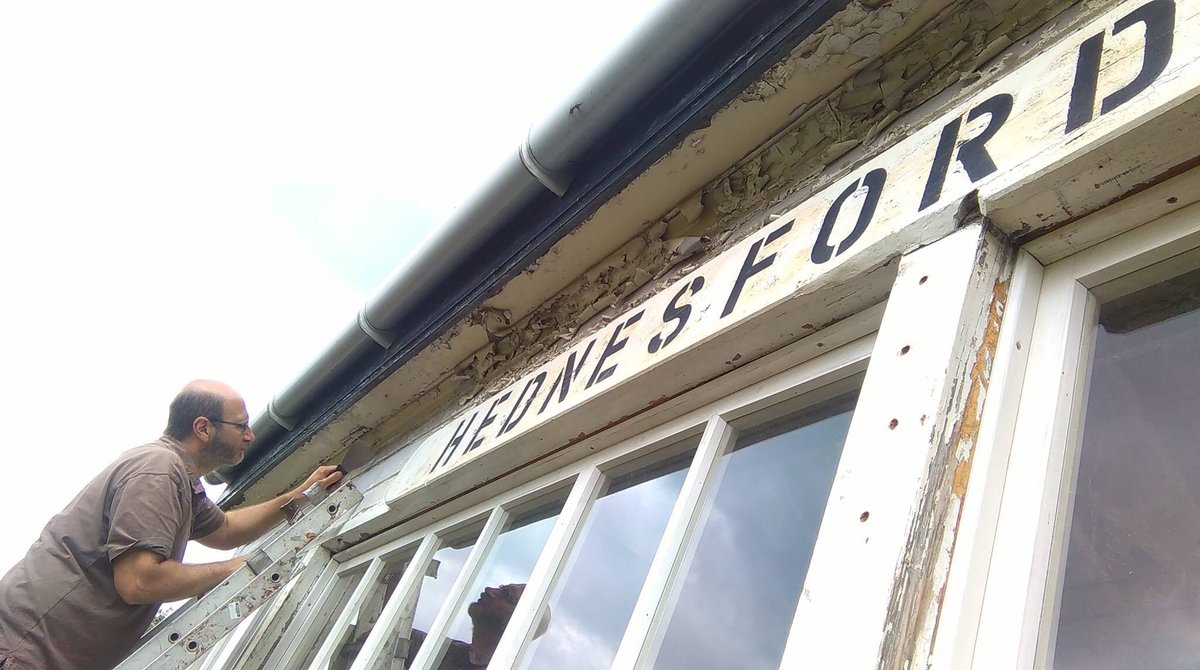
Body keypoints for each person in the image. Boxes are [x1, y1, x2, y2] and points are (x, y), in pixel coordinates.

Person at [0, 380, 344, 670]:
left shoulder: (180, 477)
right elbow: (139, 581)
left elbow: (226, 530)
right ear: (203, 428)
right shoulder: (159, 471)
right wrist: (240, 569)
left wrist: (299, 495)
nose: (250, 436)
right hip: (25, 653)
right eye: (241, 426)